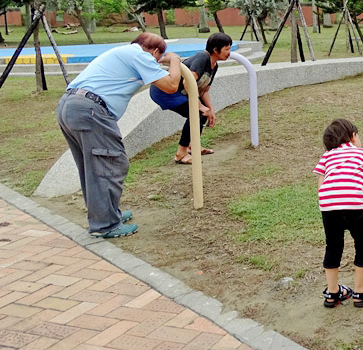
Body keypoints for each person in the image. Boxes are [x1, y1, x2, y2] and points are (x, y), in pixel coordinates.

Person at [57, 33, 182, 239]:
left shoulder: (122, 53)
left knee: (93, 166)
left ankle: (106, 215)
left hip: (70, 106)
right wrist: (175, 60)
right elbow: (171, 85)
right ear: (156, 52)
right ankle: (105, 224)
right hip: (91, 110)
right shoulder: (141, 55)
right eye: (158, 58)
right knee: (111, 163)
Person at [313, 118, 363, 308]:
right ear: (353, 136)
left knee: (333, 247)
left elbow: (321, 184)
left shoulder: (327, 155)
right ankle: (360, 293)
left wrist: (327, 206)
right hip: (355, 205)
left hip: (329, 206)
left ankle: (332, 293)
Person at [149, 32, 232, 164]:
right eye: (227, 49)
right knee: (196, 113)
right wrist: (200, 106)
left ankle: (193, 146)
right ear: (216, 50)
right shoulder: (203, 57)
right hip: (164, 91)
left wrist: (210, 110)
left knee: (202, 113)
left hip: (180, 92)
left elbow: (203, 90)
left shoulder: (214, 65)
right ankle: (180, 154)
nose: (229, 52)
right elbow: (187, 83)